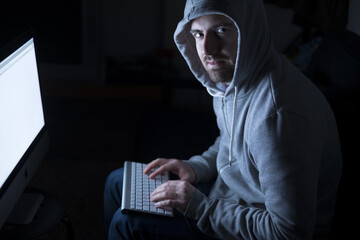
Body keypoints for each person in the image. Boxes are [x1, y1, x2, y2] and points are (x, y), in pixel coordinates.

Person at [104, 0, 342, 239]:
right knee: (118, 181)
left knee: (127, 223)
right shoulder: (233, 81)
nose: (207, 48)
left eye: (221, 30)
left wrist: (199, 206)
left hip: (254, 224)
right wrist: (196, 167)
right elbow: (231, 141)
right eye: (198, 33)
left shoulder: (277, 119)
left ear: (250, 28)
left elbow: (289, 232)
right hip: (230, 198)